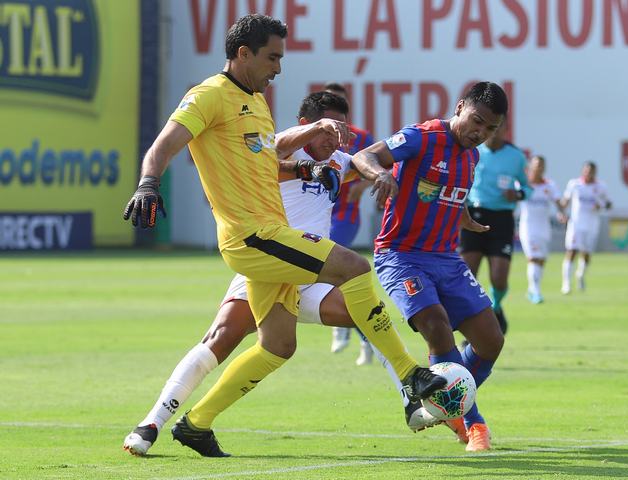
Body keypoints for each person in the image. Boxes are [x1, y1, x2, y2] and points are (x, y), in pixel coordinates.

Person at [121, 15, 445, 457]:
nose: (279, 68)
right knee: (354, 268)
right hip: (252, 235)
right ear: (243, 54)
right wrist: (148, 183)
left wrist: (305, 168)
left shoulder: (256, 103)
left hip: (273, 239)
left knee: (278, 346)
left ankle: (196, 424)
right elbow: (165, 143)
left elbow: (264, 163)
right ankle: (411, 375)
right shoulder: (208, 95)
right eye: (272, 57)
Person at [356, 82, 508, 451]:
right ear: (459, 107)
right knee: (437, 326)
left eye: (490, 128)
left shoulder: (472, 157)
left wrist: (464, 217)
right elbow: (364, 155)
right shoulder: (421, 137)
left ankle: (442, 403)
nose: (480, 132)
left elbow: (450, 193)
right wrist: (380, 174)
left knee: (491, 340)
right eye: (477, 121)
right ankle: (472, 424)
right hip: (401, 255)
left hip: (446, 257)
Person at [459, 120, 531, 333]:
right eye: (492, 127)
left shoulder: (516, 156)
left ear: (506, 129)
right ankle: (473, 322)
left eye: (499, 127)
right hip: (473, 215)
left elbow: (528, 187)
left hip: (501, 218)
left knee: (499, 279)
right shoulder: (472, 150)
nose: (495, 132)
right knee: (467, 276)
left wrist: (517, 194)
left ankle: (496, 307)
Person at [323, 82, 377, 365]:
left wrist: (363, 184)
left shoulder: (361, 137)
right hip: (319, 214)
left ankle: (345, 328)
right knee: (333, 276)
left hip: (345, 215)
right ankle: (364, 337)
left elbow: (377, 165)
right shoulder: (314, 134)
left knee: (330, 267)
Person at [518, 155, 566, 304]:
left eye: (541, 165)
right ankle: (536, 292)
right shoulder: (523, 184)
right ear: (531, 166)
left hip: (544, 228)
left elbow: (558, 203)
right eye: (536, 164)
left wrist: (562, 213)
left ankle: (531, 289)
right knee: (533, 257)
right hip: (528, 227)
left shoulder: (549, 185)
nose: (539, 168)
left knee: (541, 260)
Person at [560, 162, 612, 294]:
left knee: (586, 253)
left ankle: (580, 275)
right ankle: (566, 283)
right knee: (571, 251)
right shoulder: (574, 184)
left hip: (591, 224)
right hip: (575, 224)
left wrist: (601, 205)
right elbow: (565, 201)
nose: (588, 173)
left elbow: (609, 204)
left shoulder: (601, 186)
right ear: (583, 171)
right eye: (586, 170)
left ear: (595, 172)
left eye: (591, 171)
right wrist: (561, 212)